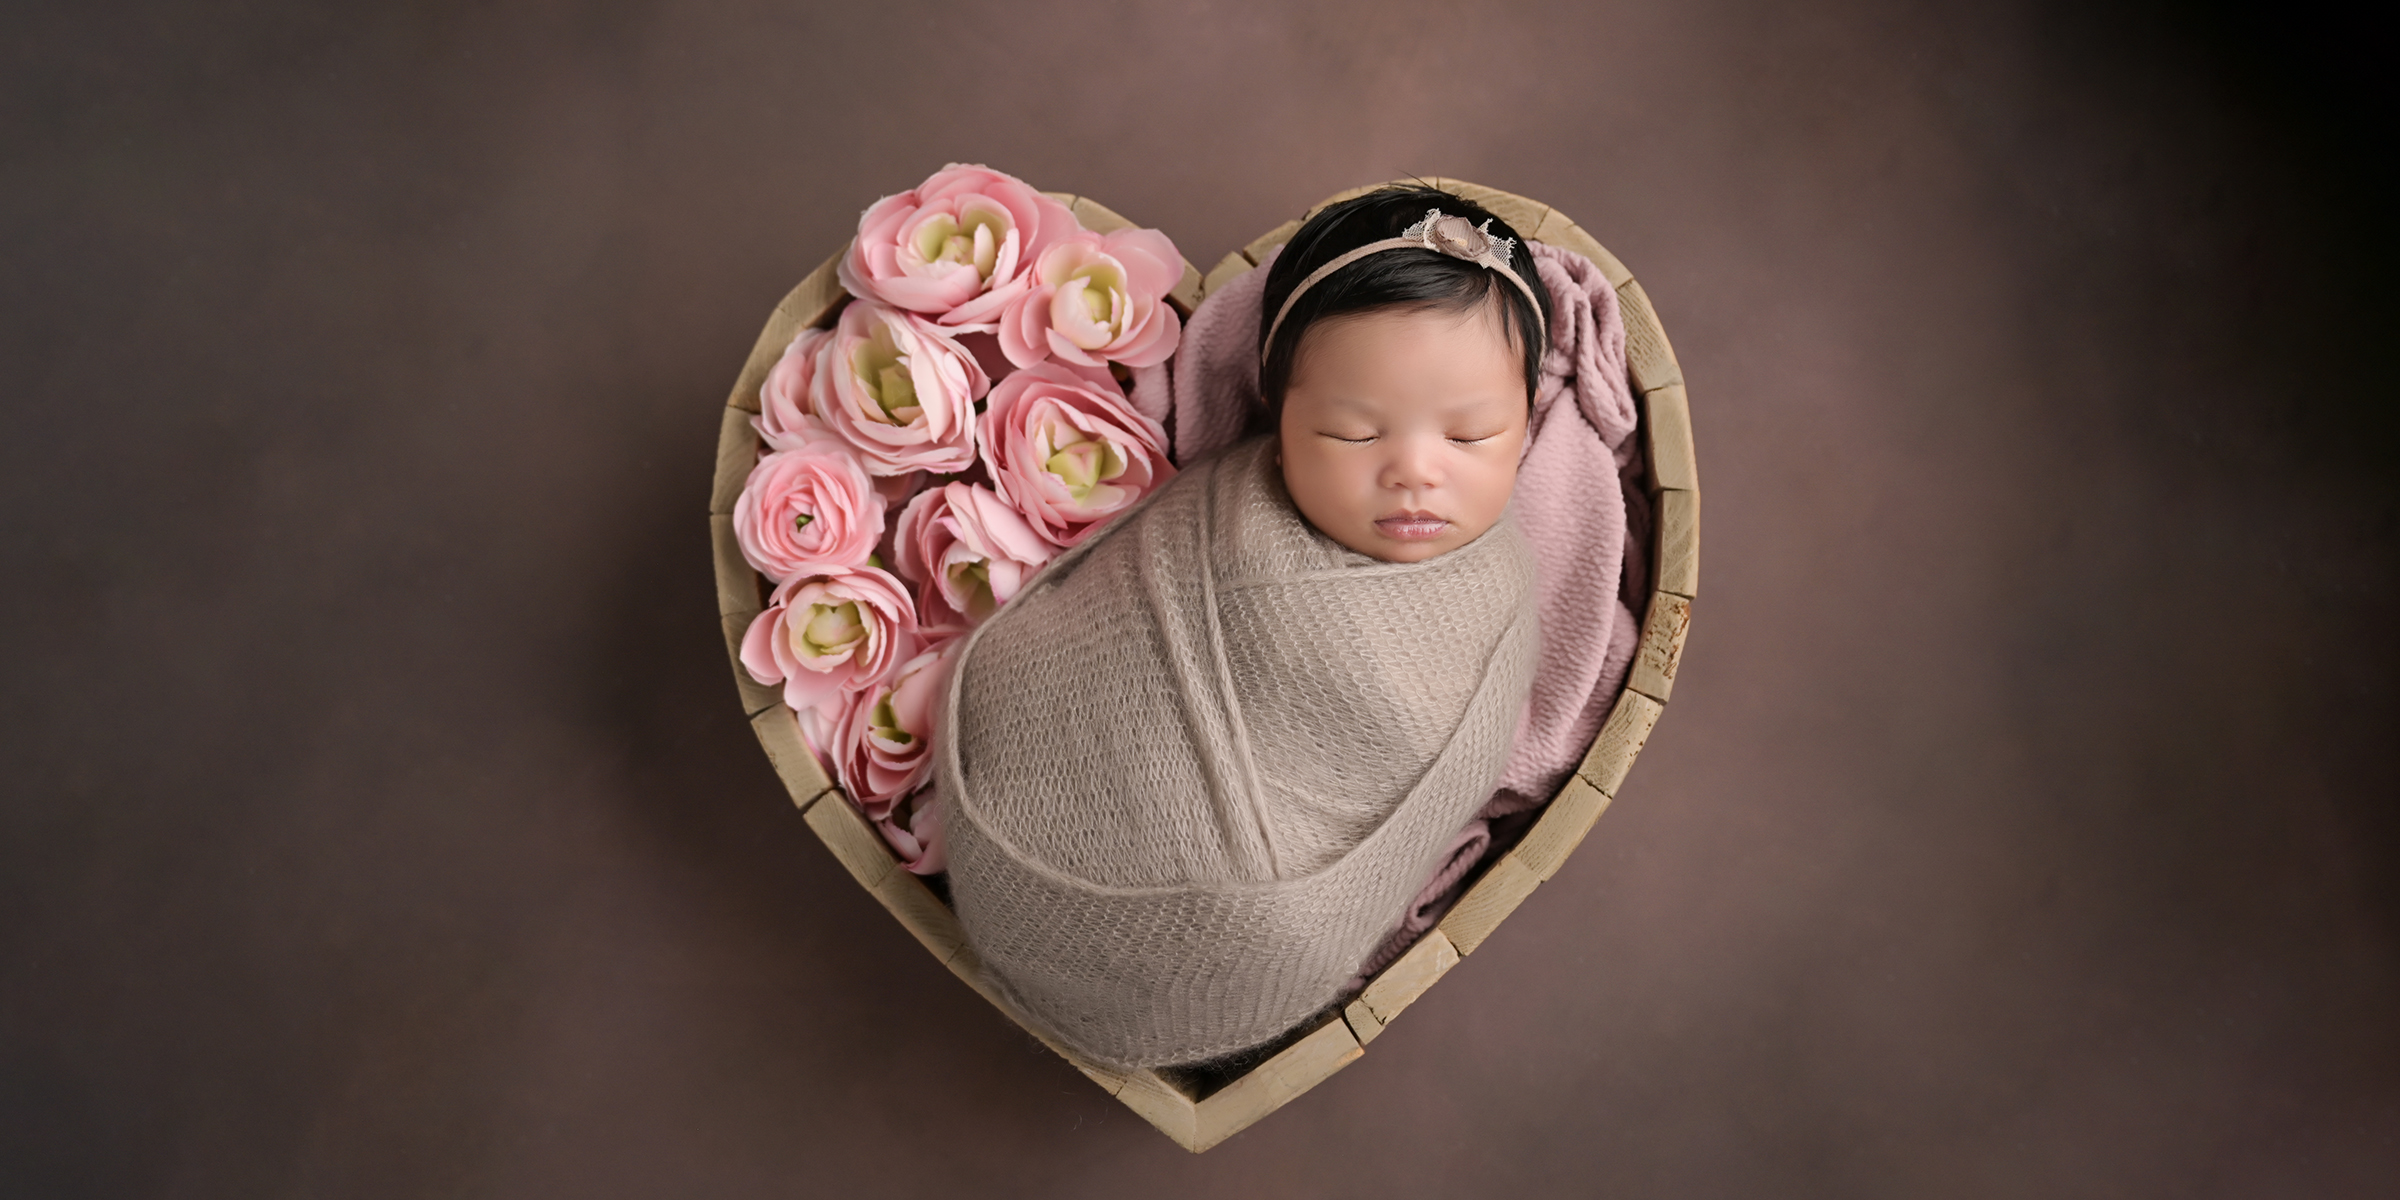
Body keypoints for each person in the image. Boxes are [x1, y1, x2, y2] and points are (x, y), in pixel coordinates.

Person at [932, 186, 1552, 1071]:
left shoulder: (1497, 604)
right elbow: (1064, 642)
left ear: (1526, 423)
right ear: (1278, 416)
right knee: (1011, 676)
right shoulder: (1224, 507)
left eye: (1471, 436)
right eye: (1353, 433)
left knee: (1280, 924)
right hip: (1028, 794)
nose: (1415, 472)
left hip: (1233, 922)